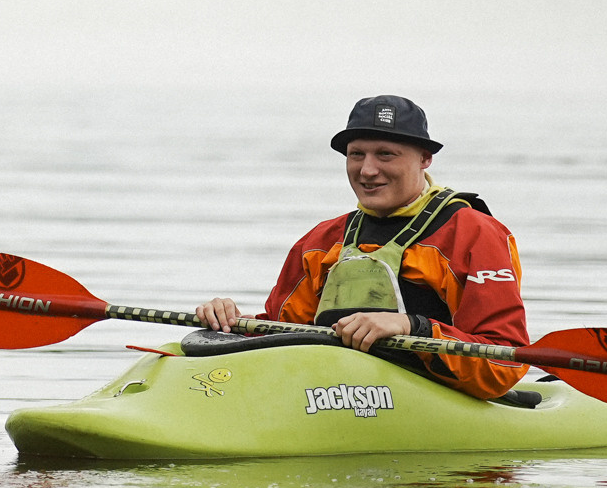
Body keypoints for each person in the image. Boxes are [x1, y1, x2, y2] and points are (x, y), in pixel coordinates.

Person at [196, 94, 529, 401]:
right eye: (357, 155)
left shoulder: (475, 234)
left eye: (385, 154)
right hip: (335, 394)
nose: (367, 170)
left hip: (432, 399)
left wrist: (413, 327)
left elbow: (504, 363)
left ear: (425, 158)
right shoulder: (320, 241)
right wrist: (231, 323)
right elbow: (278, 331)